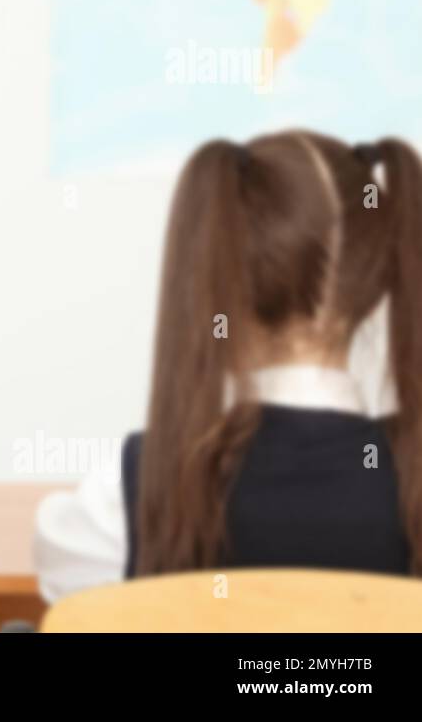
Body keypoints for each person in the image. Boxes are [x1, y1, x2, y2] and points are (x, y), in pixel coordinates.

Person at [35, 132, 422, 603]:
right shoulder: (406, 478)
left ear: (218, 282)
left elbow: (70, 595)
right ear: (376, 284)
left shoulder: (118, 504)